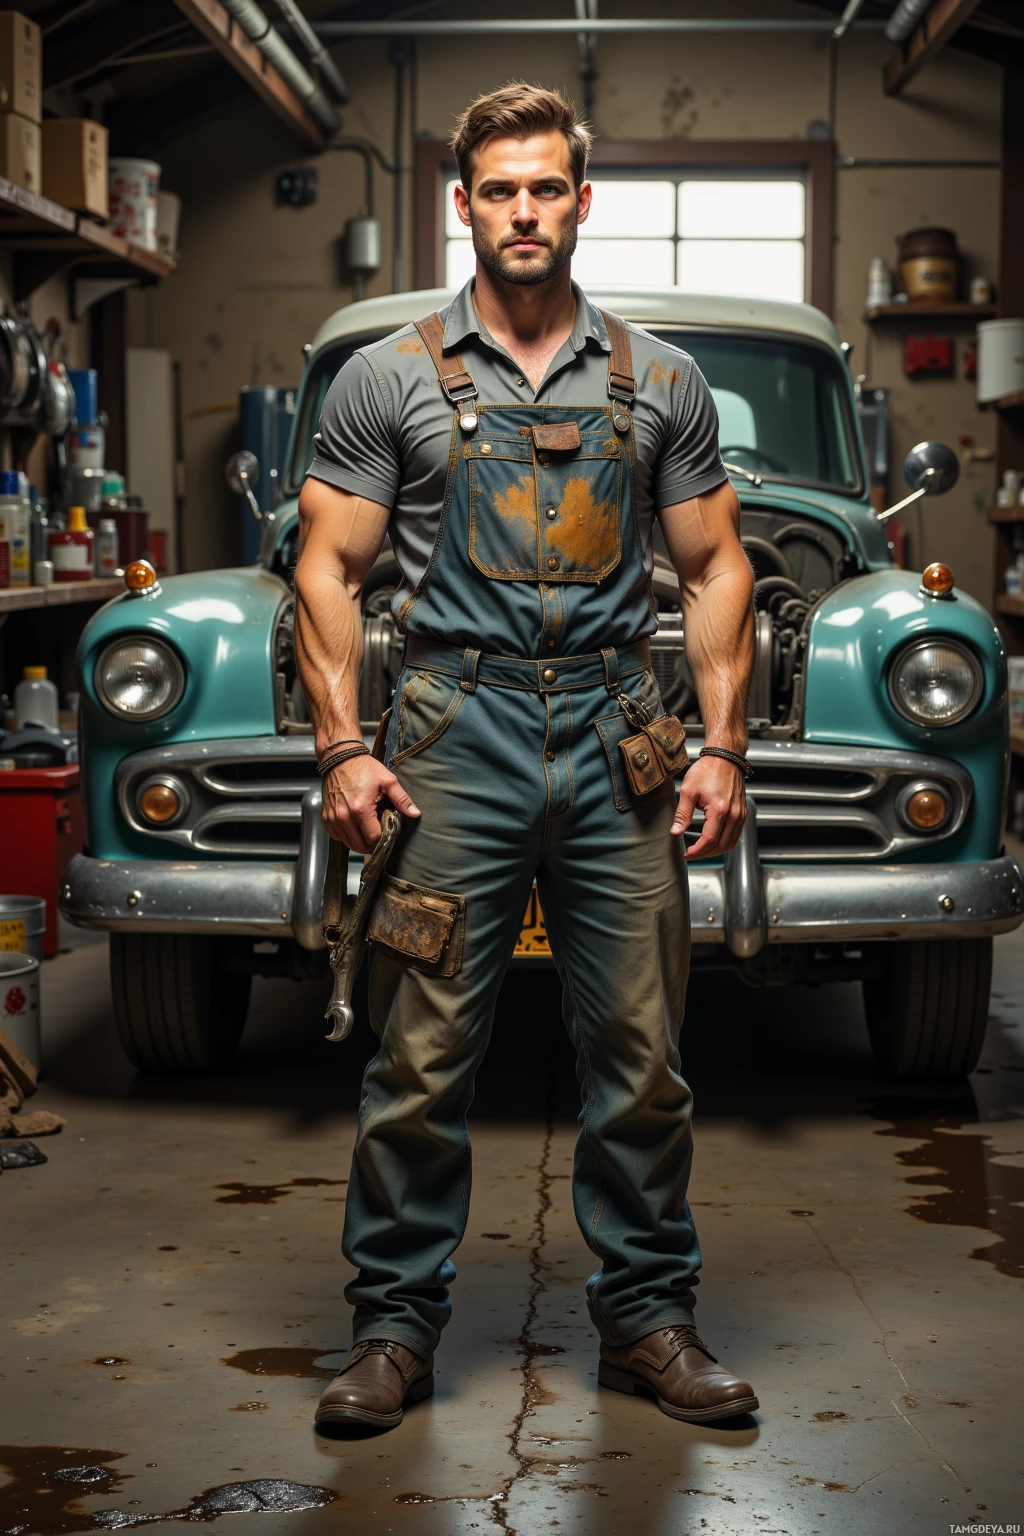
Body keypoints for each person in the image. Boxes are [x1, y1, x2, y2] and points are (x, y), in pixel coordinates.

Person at [296, 82, 757, 1433]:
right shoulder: (388, 375)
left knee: (640, 1049)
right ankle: (393, 1326)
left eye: (546, 188)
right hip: (454, 738)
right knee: (422, 1054)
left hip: (621, 738)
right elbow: (327, 567)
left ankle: (650, 1320)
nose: (523, 213)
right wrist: (341, 745)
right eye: (499, 191)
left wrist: (721, 743)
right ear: (463, 208)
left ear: (580, 202)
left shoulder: (660, 379)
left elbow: (718, 563)